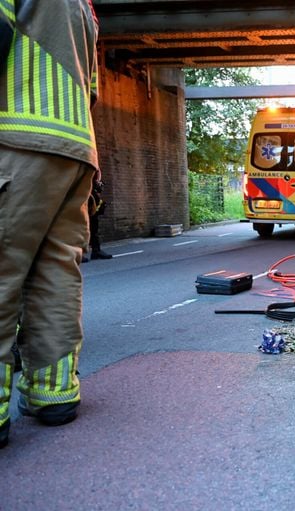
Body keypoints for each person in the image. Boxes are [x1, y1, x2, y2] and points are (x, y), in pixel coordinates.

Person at [0, 0, 100, 449]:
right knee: (57, 271)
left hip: (16, 135)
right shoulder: (84, 7)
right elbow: (91, 88)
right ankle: (54, 393)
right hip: (75, 148)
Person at [83, 177, 112, 262]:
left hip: (90, 194)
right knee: (80, 227)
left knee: (93, 226)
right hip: (83, 194)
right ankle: (77, 253)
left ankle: (96, 251)